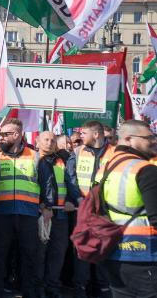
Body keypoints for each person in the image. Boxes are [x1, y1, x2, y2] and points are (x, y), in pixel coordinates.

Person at [0, 118, 52, 298]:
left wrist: (47, 206)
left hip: (28, 213)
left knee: (28, 255)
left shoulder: (35, 156)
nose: (1, 138)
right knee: (0, 254)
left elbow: (47, 183)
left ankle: (28, 291)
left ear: (17, 135)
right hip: (2, 212)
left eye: (5, 134)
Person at [97, 120, 157, 297]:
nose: (153, 141)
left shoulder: (106, 167)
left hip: (112, 251)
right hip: (144, 253)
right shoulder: (145, 169)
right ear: (129, 139)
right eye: (149, 137)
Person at [68, 120, 115, 297]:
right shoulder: (77, 152)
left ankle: (103, 290)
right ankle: (80, 290)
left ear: (96, 134)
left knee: (103, 252)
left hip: (105, 212)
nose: (81, 136)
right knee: (82, 252)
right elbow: (71, 178)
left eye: (84, 133)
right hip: (83, 211)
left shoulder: (115, 153)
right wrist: (80, 199)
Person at [36, 131, 80, 298]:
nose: (50, 143)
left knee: (58, 253)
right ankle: (39, 288)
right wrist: (42, 206)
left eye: (53, 140)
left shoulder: (62, 160)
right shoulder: (33, 160)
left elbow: (69, 182)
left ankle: (52, 287)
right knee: (39, 254)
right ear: (37, 142)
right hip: (41, 214)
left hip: (60, 214)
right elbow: (33, 185)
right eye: (46, 139)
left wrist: (70, 200)